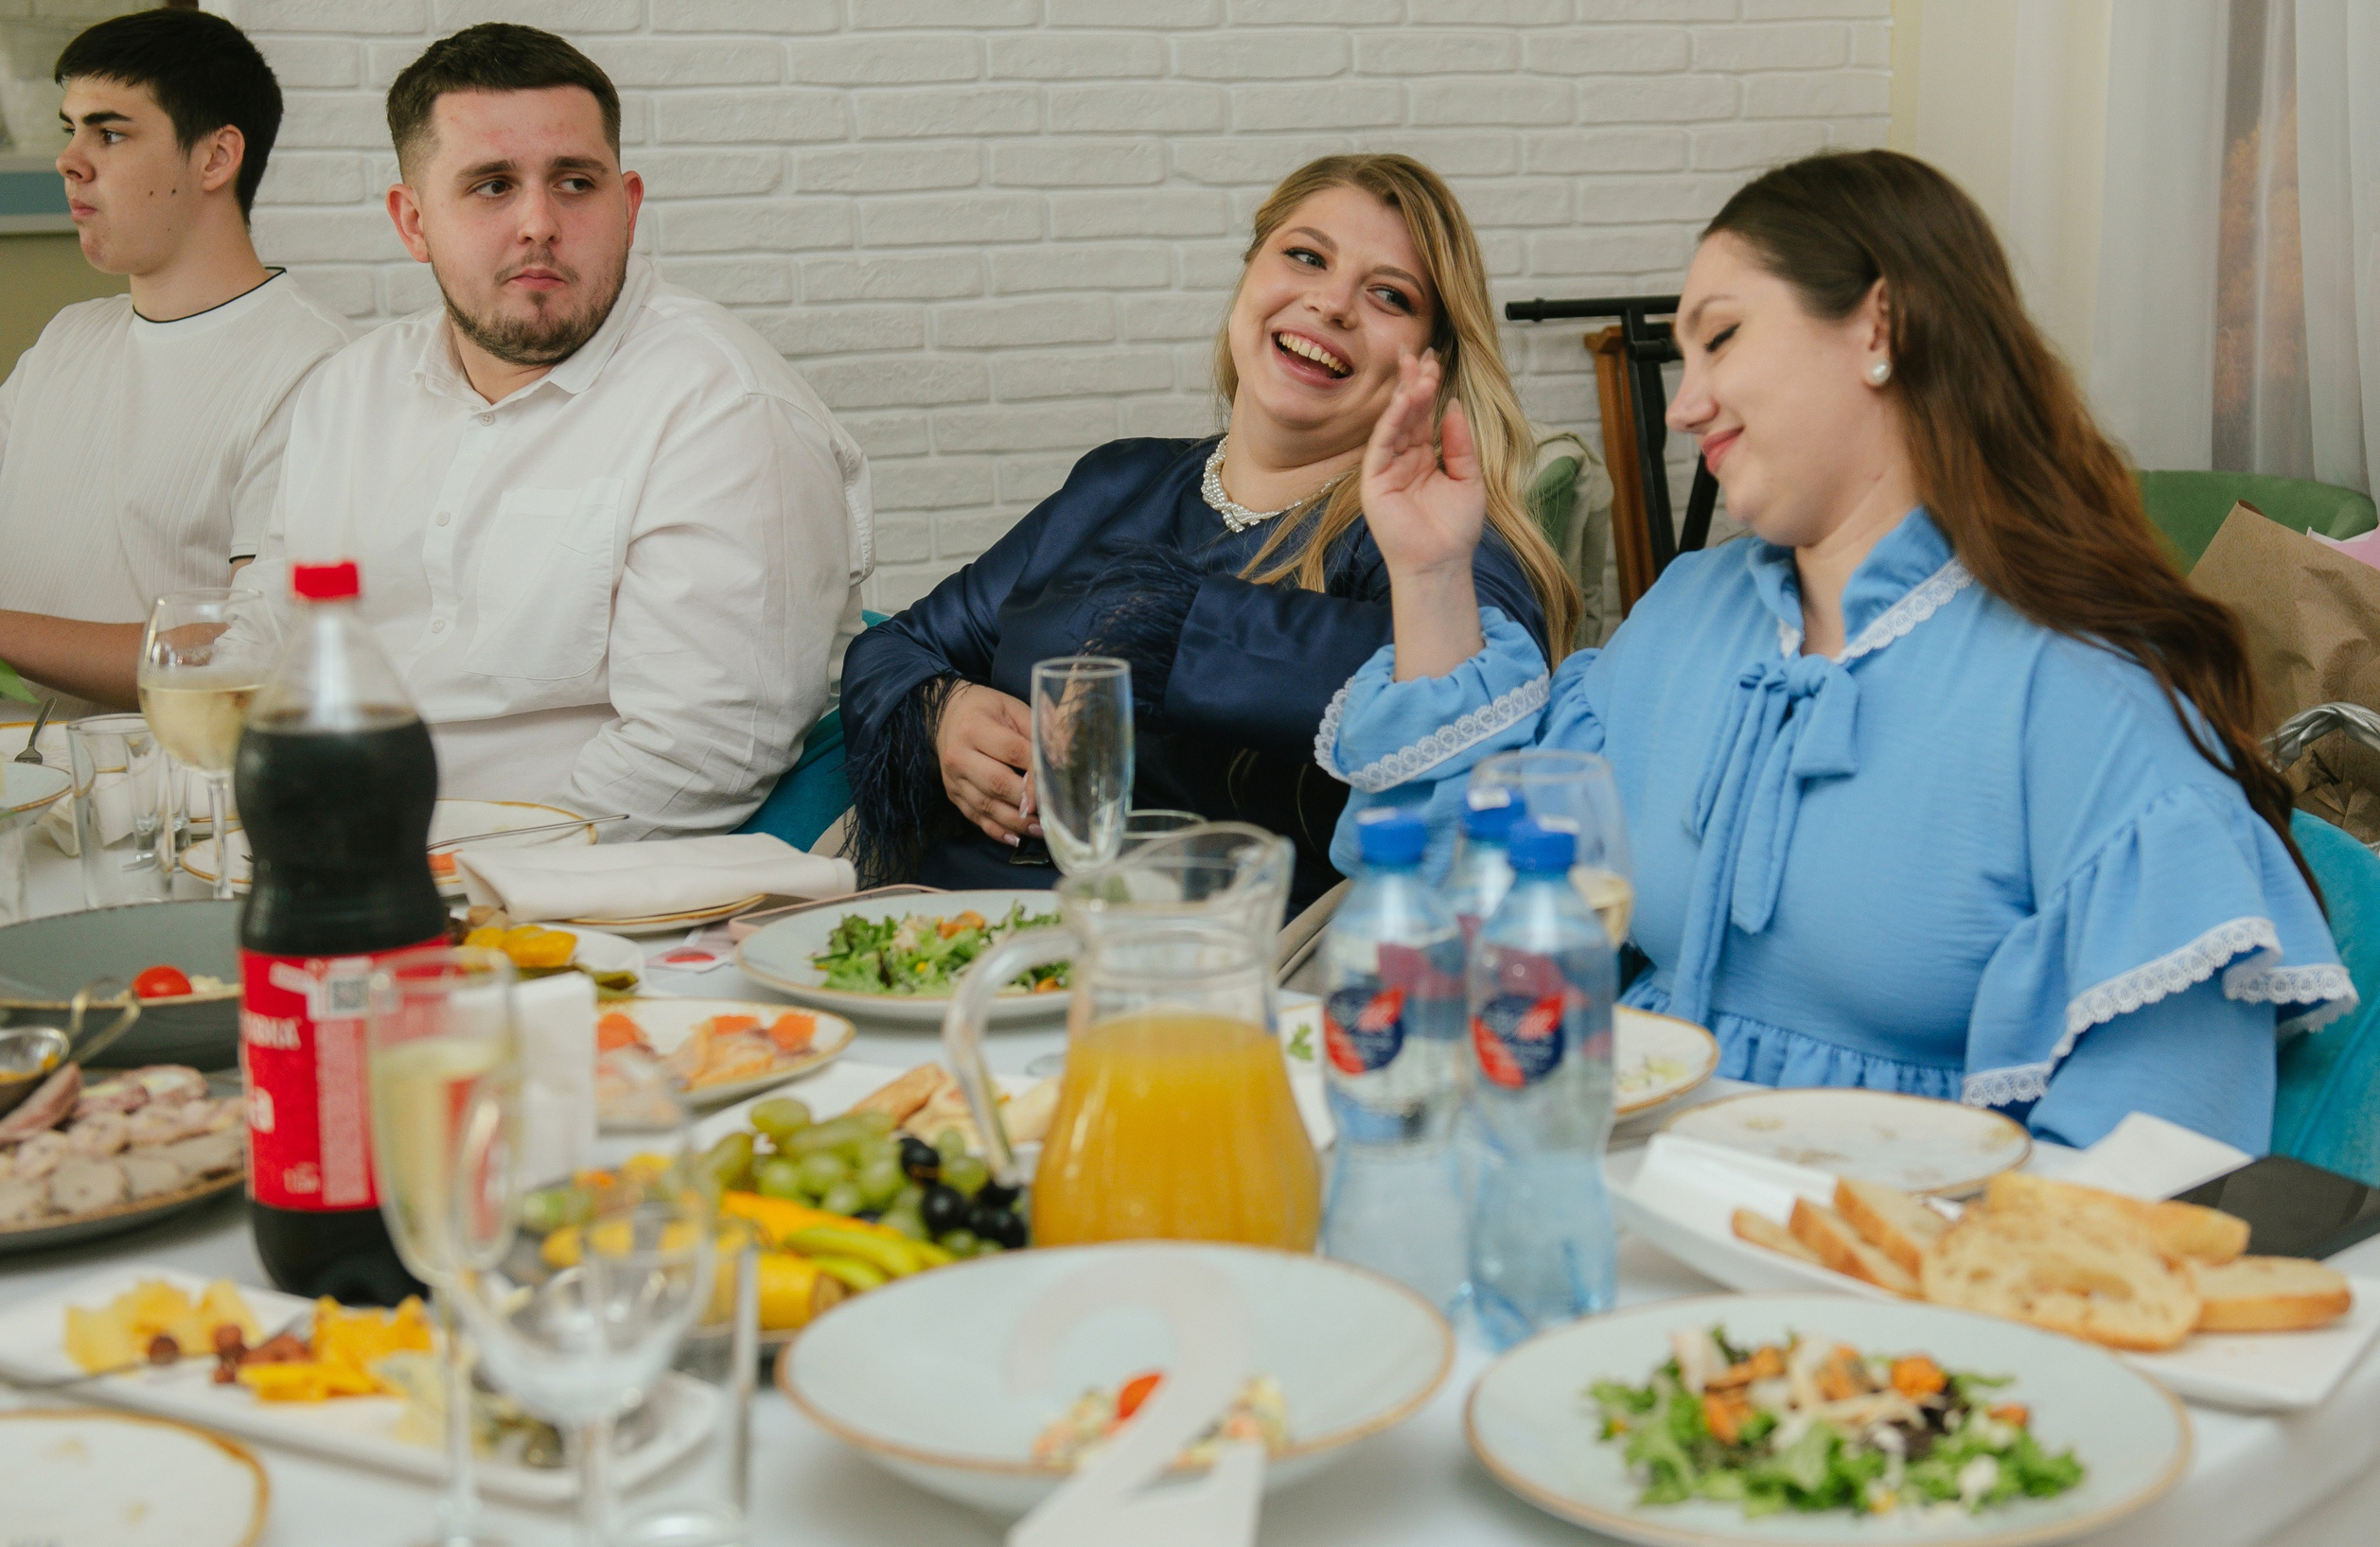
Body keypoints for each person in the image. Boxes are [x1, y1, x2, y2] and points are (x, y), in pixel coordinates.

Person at [1321, 149, 2351, 1152]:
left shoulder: (2079, 693)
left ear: (1878, 327)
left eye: (1719, 339)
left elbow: (2153, 1152)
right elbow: (1468, 881)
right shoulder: (1686, 613)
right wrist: (1428, 573)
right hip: (1616, 1189)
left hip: (1895, 1271)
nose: (1682, 405)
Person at [840, 153, 1579, 909]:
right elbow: (895, 648)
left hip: (1205, 964)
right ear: (1250, 274)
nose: (1331, 304)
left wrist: (1156, 623)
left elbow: (1487, 704)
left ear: (1433, 360)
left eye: (1389, 294)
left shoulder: (1431, 538)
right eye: (1305, 256)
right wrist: (944, 711)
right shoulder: (1117, 481)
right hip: (954, 926)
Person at [245, 24, 870, 838]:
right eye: (492, 186)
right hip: (330, 844)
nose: (539, 221)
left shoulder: (724, 408)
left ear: (628, 206)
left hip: (583, 902)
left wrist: (429, 871)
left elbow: (696, 759)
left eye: (575, 183)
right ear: (412, 221)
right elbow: (270, 631)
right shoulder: (344, 393)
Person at [0, 9, 352, 710]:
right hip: (3, 779)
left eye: (109, 133)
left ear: (215, 158)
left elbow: (243, 648)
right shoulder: (67, 338)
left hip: (168, 790)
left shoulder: (316, 366)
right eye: (69, 130)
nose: (69, 160)